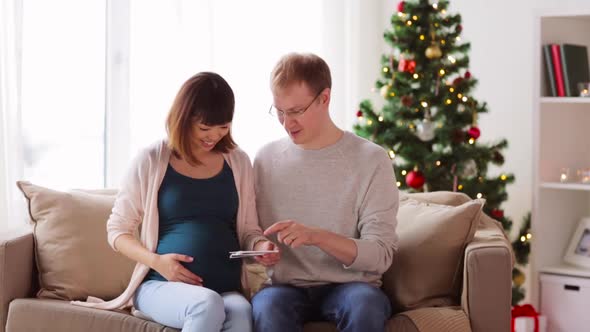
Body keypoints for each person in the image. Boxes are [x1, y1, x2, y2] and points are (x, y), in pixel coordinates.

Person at [72, 72, 280, 332]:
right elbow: (117, 231)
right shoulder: (151, 159)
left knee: (240, 313)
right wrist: (158, 262)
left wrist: (260, 246)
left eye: (223, 127)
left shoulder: (238, 162)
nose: (213, 136)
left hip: (225, 289)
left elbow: (249, 230)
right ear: (184, 118)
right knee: (206, 304)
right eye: (204, 128)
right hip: (160, 286)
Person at [251, 53, 399, 332]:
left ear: (324, 99)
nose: (287, 122)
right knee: (267, 308)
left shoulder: (371, 160)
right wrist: (260, 248)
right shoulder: (265, 159)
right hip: (285, 288)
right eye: (279, 111)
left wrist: (316, 237)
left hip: (352, 287)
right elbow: (250, 232)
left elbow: (381, 255)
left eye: (296, 111)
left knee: (366, 305)